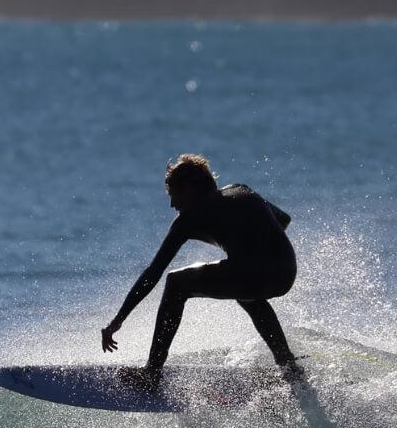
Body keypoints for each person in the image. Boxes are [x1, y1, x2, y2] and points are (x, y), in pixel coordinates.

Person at [101, 154, 306, 390]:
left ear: (187, 189)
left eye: (173, 196)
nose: (172, 205)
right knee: (247, 293)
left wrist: (118, 320)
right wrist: (255, 244)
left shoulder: (189, 218)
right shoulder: (241, 189)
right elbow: (283, 219)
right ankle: (288, 365)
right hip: (285, 271)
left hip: (255, 273)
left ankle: (152, 373)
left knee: (176, 283)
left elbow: (153, 272)